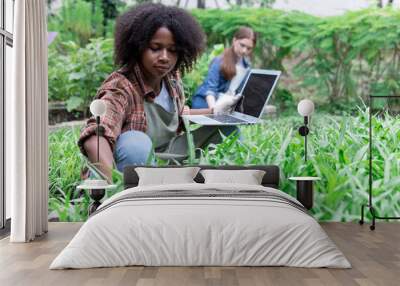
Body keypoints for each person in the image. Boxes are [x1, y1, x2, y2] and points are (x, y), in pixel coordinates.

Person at [78, 3, 235, 181]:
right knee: (136, 143)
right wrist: (109, 183)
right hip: (132, 163)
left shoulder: (171, 79)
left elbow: (179, 116)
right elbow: (95, 135)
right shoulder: (121, 87)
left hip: (166, 156)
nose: (165, 57)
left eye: (173, 50)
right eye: (155, 48)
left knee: (228, 128)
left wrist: (217, 111)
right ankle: (135, 193)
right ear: (138, 47)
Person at [191, 26, 257, 110]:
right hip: (206, 104)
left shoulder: (246, 66)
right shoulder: (219, 60)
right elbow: (210, 89)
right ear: (234, 40)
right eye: (242, 45)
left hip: (225, 106)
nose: (244, 50)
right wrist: (213, 110)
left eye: (249, 48)